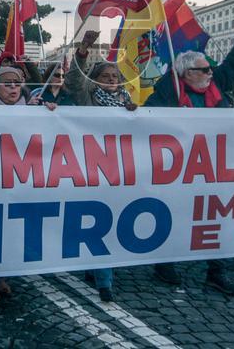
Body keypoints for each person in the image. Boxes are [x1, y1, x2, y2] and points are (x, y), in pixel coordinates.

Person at [145, 22, 234, 296]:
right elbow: (149, 118)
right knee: (176, 215)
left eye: (209, 69)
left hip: (216, 167)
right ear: (186, 72)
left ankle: (216, 272)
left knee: (216, 219)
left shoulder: (217, 88)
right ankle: (164, 263)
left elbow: (232, 66)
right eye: (204, 69)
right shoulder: (168, 92)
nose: (210, 73)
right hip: (180, 169)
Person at [0, 65, 55, 305]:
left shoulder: (34, 108)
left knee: (11, 230)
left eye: (16, 83)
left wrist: (51, 112)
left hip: (19, 179)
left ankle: (1, 277)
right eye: (6, 83)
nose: (12, 87)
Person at [65, 31, 137, 301]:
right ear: (94, 80)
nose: (111, 80)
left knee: (107, 221)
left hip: (119, 172)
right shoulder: (87, 97)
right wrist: (83, 50)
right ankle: (102, 278)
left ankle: (100, 274)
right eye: (105, 76)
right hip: (88, 169)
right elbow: (74, 82)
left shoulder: (128, 103)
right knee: (93, 220)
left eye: (115, 77)